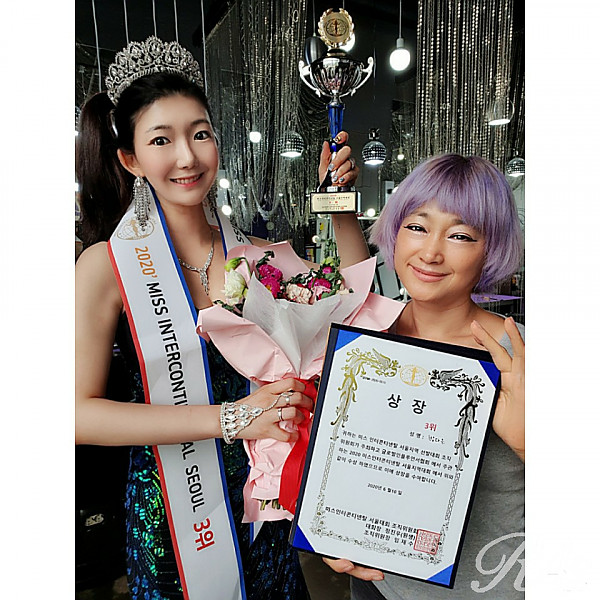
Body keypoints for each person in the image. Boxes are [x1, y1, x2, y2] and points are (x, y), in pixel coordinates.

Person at [75, 36, 369, 600]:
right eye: (161, 140)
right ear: (130, 159)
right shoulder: (106, 266)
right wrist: (232, 418)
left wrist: (340, 209)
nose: (187, 156)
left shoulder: (255, 256)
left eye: (200, 133)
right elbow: (78, 415)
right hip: (171, 508)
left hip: (261, 498)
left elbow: (355, 309)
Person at [324, 153, 525, 599]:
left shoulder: (521, 356)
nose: (431, 252)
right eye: (417, 226)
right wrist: (328, 529)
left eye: (460, 235)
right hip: (378, 585)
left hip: (488, 586)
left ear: (490, 249)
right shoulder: (369, 338)